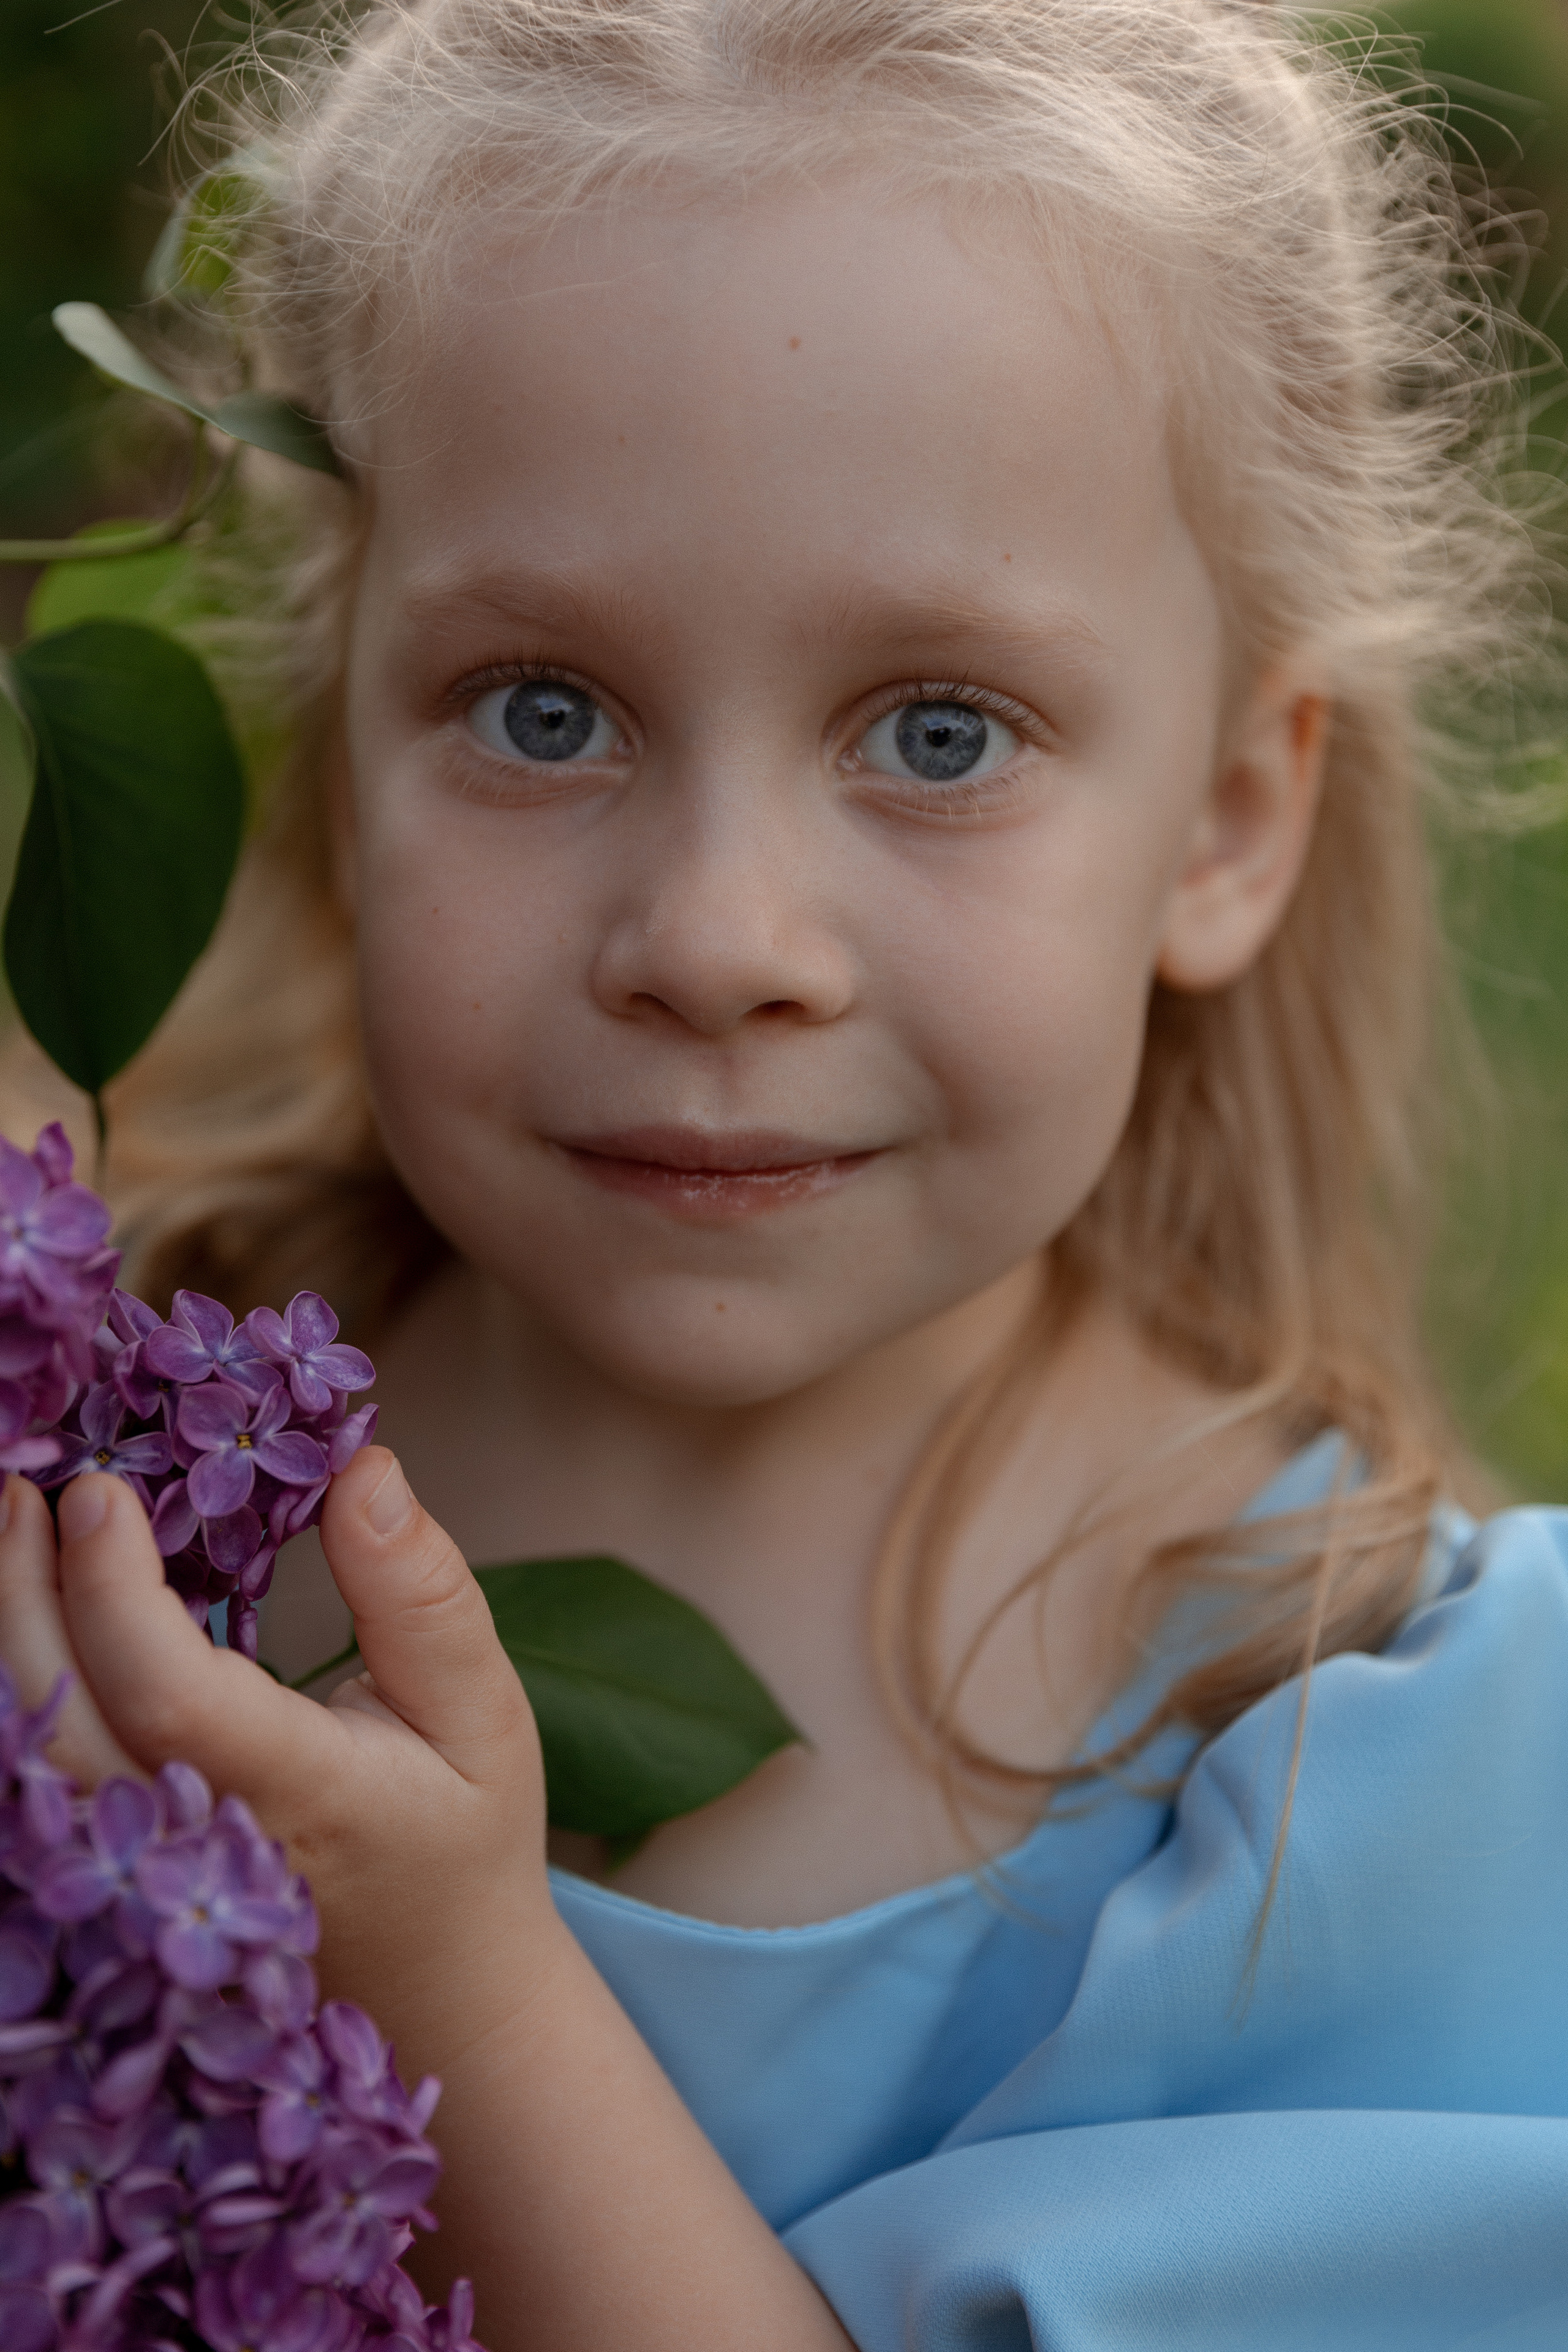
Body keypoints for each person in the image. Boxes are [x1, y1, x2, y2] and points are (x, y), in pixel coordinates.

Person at [3, 0, 1568, 2342]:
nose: (720, 942)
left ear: (1233, 819)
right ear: (340, 735)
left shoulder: (1405, 1789)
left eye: (940, 733)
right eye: (545, 709)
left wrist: (445, 1982)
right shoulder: (105, 1444)